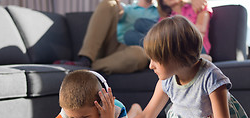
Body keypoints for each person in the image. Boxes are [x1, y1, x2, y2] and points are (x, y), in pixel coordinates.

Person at [83, 16, 250, 118]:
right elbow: (146, 117)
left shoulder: (211, 77)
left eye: (155, 60)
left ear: (176, 57)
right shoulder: (167, 80)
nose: (150, 66)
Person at [56, 0, 207, 74]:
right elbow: (111, 10)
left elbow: (179, 22)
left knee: (140, 53)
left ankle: (85, 68)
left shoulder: (162, 12)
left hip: (128, 53)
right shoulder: (126, 8)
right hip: (108, 44)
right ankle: (86, 59)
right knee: (108, 3)